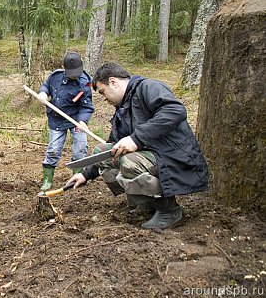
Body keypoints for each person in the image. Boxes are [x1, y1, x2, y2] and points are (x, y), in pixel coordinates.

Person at [66, 62, 209, 229]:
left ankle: (169, 210)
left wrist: (136, 139)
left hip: (176, 158)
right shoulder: (123, 109)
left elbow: (175, 111)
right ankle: (146, 202)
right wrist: (85, 175)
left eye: (103, 92)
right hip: (155, 157)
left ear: (113, 82)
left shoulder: (148, 87)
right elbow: (112, 148)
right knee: (103, 150)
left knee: (129, 161)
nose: (104, 99)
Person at [37, 51, 95, 191]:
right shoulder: (55, 76)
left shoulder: (85, 83)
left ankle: (78, 177)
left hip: (76, 120)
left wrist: (82, 121)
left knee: (80, 149)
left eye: (77, 72)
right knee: (53, 150)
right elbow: (46, 86)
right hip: (57, 120)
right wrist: (43, 93)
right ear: (63, 67)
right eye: (72, 72)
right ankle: (47, 180)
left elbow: (86, 106)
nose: (75, 75)